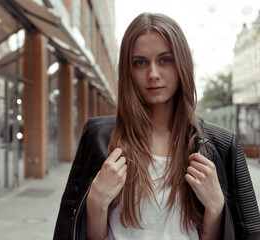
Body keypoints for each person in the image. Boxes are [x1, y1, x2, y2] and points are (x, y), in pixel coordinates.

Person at [53, 12, 260, 240]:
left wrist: (215, 207)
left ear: (182, 63)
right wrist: (96, 203)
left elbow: (248, 230)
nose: (153, 74)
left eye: (165, 60)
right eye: (140, 63)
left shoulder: (222, 145)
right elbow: (76, 231)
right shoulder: (98, 137)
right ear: (127, 70)